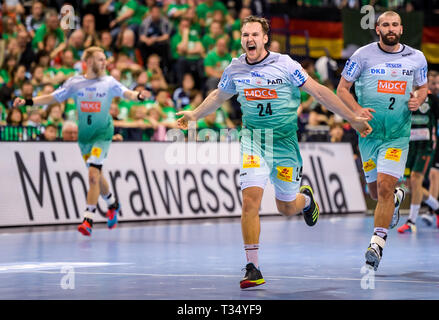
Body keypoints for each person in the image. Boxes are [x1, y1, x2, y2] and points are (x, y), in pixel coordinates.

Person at [176, 15, 372, 289]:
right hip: (254, 140)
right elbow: (219, 97)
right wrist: (195, 114)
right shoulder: (235, 68)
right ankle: (253, 267)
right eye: (245, 35)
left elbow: (318, 91)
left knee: (286, 207)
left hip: (284, 144)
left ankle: (305, 199)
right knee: (250, 201)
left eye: (255, 34)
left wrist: (351, 117)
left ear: (265, 38)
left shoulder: (285, 64)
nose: (250, 39)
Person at [13, 46, 150, 236]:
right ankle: (113, 204)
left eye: (105, 59)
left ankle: (88, 219)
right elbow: (52, 98)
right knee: (97, 175)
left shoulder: (109, 82)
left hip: (103, 133)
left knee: (93, 174)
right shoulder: (75, 83)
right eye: (100, 59)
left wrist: (139, 96)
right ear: (90, 61)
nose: (105, 62)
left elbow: (127, 93)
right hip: (84, 136)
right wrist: (27, 102)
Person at [336, 11, 428, 271]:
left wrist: (418, 99)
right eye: (385, 24)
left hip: (397, 136)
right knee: (377, 193)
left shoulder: (416, 57)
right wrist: (355, 111)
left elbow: (423, 88)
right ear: (377, 29)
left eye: (395, 24)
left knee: (385, 188)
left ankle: (376, 244)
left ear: (401, 28)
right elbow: (342, 89)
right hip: (368, 135)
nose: (390, 28)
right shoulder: (362, 55)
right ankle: (397, 197)